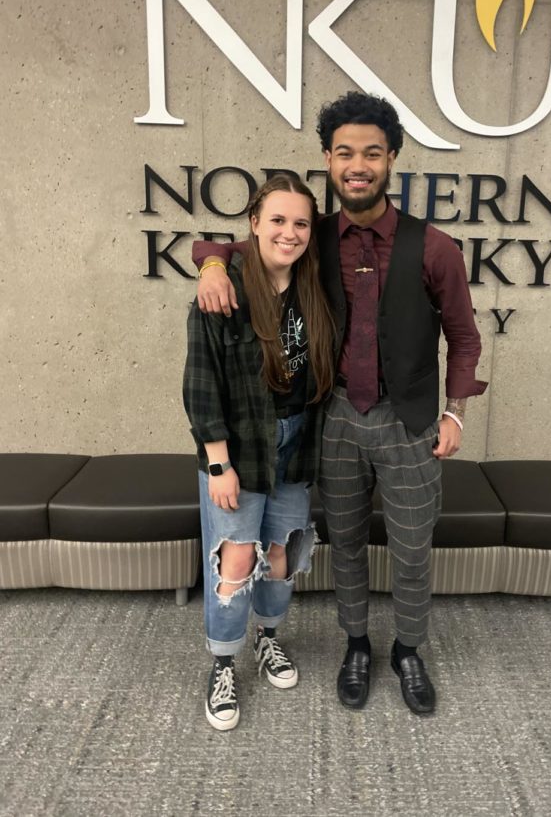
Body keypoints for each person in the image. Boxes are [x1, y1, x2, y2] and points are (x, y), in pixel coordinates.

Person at [193, 91, 487, 717]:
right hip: (332, 425)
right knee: (346, 545)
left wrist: (456, 411)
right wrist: (211, 266)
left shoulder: (435, 248)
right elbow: (228, 249)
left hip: (409, 425)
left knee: (411, 550)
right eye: (345, 152)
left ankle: (408, 650)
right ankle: (356, 644)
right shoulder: (308, 235)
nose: (359, 164)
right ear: (328, 159)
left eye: (372, 153)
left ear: (392, 160)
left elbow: (463, 338)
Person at [183, 175, 334, 731]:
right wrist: (218, 463)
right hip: (239, 447)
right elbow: (201, 384)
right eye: (277, 220)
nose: (289, 233)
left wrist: (211, 257)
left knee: (282, 553)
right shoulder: (221, 293)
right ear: (253, 223)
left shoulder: (318, 289)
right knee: (234, 560)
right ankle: (223, 662)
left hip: (296, 443)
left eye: (300, 223)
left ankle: (269, 639)